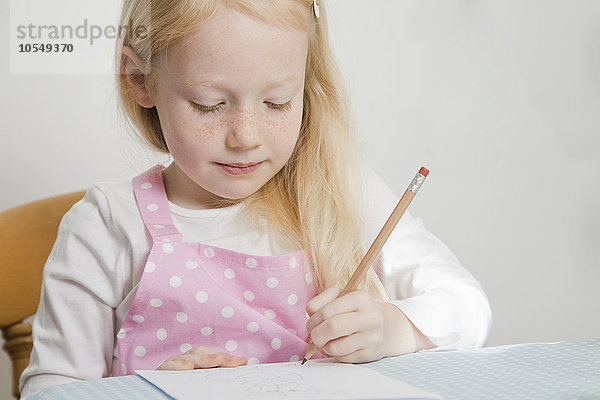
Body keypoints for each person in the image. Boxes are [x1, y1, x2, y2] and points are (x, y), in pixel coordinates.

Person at [19, 0, 492, 396]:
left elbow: (468, 307)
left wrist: (394, 328)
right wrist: (148, 391)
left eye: (278, 102)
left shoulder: (342, 193)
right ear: (140, 80)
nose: (245, 136)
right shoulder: (106, 226)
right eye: (209, 104)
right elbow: (52, 391)